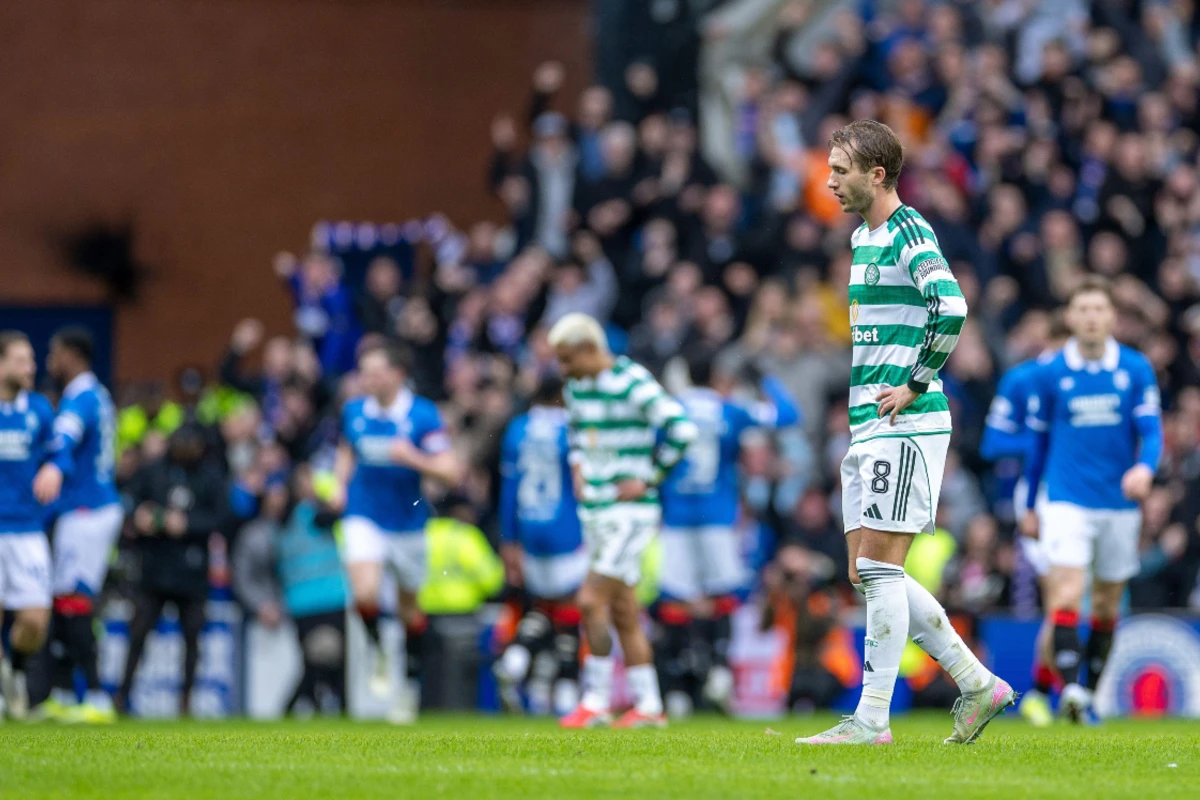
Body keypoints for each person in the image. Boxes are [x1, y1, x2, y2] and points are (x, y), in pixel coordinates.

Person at [798, 120, 1014, 747]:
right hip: (870, 422)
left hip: (907, 422)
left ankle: (871, 720)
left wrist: (917, 382)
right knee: (864, 571)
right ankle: (978, 685)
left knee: (878, 567)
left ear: (877, 174)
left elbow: (952, 306)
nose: (830, 181)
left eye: (840, 170)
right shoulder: (865, 240)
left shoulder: (907, 229)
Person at [1020, 277, 1163, 724]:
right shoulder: (1050, 373)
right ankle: (1074, 692)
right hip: (1066, 501)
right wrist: (1029, 504)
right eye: (1082, 309)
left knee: (1105, 604)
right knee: (1066, 594)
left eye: (1098, 309)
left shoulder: (1136, 369)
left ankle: (1089, 694)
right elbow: (1037, 444)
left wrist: (1146, 468)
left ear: (1112, 317)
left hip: (1118, 506)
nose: (1090, 317)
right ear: (1070, 317)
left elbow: (1152, 431)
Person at [548, 313, 698, 729]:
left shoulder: (633, 382)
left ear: (589, 349)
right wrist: (578, 466)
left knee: (590, 600)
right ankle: (649, 706)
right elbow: (577, 432)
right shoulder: (578, 388)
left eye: (566, 359)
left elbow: (682, 428)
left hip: (629, 514)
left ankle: (595, 702)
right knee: (623, 612)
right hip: (595, 511)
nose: (562, 370)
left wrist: (650, 476)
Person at [656, 350, 800, 714]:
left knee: (676, 600)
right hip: (718, 516)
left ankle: (677, 685)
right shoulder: (729, 409)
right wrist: (764, 379)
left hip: (675, 516)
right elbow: (788, 414)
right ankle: (718, 669)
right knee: (723, 595)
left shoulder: (668, 409)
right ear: (714, 376)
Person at [332, 341, 461, 724]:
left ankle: (408, 684)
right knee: (365, 591)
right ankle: (376, 650)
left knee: (409, 612)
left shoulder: (422, 415)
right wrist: (341, 485)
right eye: (364, 371)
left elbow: (451, 471)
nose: (367, 379)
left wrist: (415, 459)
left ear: (397, 374)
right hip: (364, 514)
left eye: (374, 371)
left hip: (408, 522)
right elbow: (345, 450)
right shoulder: (354, 411)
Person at [980, 314, 1070, 728]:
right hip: (1042, 499)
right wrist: (1038, 443)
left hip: (1089, 496)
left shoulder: (1098, 381)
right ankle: (1045, 692)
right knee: (1061, 596)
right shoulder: (1022, 379)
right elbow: (992, 442)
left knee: (1076, 599)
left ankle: (1052, 689)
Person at [35, 327, 124, 723]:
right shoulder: (100, 395)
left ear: (72, 355)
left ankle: (97, 696)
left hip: (87, 509)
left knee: (75, 601)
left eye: (55, 355)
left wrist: (54, 465)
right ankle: (67, 691)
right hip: (93, 506)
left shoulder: (81, 397)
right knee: (65, 599)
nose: (51, 363)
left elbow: (66, 436)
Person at [116, 423, 228, 717]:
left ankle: (186, 702)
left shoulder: (210, 474)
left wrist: (188, 524)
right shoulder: (153, 470)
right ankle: (122, 695)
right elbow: (127, 499)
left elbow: (221, 517)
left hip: (191, 572)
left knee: (192, 639)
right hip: (154, 568)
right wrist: (137, 516)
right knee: (138, 632)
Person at [494, 378, 589, 716]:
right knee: (570, 612)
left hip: (530, 529)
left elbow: (508, 488)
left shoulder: (517, 429)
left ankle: (517, 660)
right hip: (566, 528)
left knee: (543, 607)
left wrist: (509, 539)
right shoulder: (573, 429)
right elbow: (582, 485)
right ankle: (564, 690)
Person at [233, 466, 350, 716]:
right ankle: (323, 710)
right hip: (317, 597)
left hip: (314, 598)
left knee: (320, 661)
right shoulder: (301, 518)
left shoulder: (283, 524)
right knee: (323, 662)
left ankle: (302, 709)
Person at [0, 332, 55, 720]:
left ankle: (14, 673)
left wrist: (54, 467)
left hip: (28, 530)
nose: (31, 368)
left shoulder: (38, 409)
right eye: (22, 360)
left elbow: (61, 451)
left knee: (35, 620)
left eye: (32, 360)